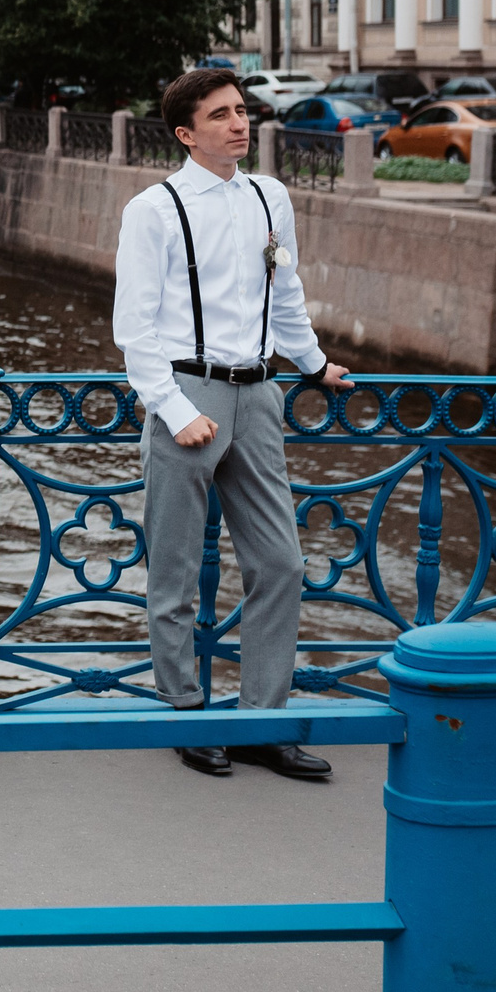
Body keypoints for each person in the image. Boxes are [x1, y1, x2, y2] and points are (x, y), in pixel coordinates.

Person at [113, 67, 351, 783]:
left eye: (242, 111)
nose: (239, 123)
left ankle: (260, 721)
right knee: (177, 571)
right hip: (188, 393)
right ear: (187, 133)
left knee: (281, 561)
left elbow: (286, 293)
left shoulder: (269, 196)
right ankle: (189, 713)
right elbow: (134, 328)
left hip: (259, 396)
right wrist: (177, 411)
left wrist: (313, 365)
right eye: (220, 115)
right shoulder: (152, 210)